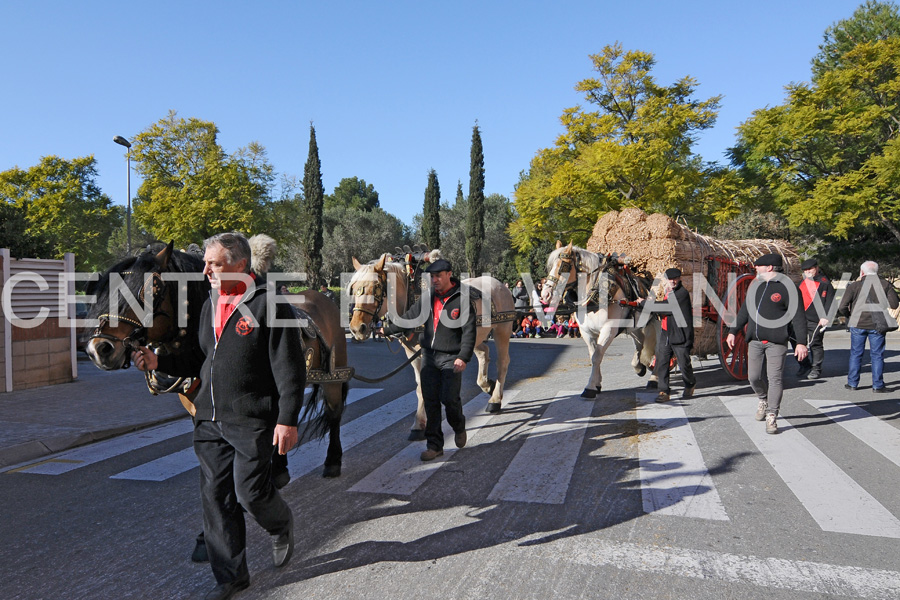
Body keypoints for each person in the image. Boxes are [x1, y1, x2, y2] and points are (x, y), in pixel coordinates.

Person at [132, 232, 303, 600]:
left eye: (214, 264)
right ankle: (231, 576)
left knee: (251, 492)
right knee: (215, 498)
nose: (206, 270)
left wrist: (287, 419)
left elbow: (290, 369)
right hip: (208, 419)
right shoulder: (211, 303)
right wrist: (159, 361)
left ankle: (280, 522)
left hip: (252, 419)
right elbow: (200, 359)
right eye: (206, 263)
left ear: (240, 265)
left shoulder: (269, 304)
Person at [381, 258, 476, 461]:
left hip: (452, 357)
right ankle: (434, 445)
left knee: (450, 399)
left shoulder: (462, 298)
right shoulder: (428, 298)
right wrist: (387, 329)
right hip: (430, 357)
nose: (435, 280)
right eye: (432, 276)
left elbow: (469, 332)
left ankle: (459, 426)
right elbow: (408, 318)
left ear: (449, 274)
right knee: (431, 402)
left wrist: (463, 357)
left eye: (438, 276)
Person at [726, 254, 808, 435]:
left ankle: (772, 415)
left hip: (776, 342)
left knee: (775, 378)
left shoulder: (789, 289)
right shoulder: (756, 286)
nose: (756, 269)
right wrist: (733, 331)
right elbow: (744, 311)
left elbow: (799, 318)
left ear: (769, 268)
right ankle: (762, 399)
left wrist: (801, 343)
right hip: (755, 341)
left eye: (759, 266)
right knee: (753, 377)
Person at [837, 260, 900, 393]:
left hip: (857, 324)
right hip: (878, 326)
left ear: (862, 272)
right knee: (877, 355)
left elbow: (842, 306)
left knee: (856, 354)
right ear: (877, 272)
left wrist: (850, 315)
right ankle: (877, 385)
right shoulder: (885, 285)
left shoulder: (854, 286)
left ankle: (852, 383)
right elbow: (894, 304)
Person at [646, 268, 696, 402]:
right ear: (666, 280)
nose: (672, 281)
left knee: (684, 363)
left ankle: (690, 383)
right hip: (666, 332)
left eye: (675, 279)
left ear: (679, 279)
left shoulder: (682, 293)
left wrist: (645, 304)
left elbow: (666, 308)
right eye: (670, 279)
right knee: (662, 361)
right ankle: (664, 391)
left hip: (680, 334)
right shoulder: (668, 292)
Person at [796, 258, 835, 379]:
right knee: (797, 342)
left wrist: (826, 317)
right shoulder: (802, 282)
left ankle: (816, 368)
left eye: (810, 269)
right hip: (801, 318)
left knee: (815, 343)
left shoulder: (825, 283)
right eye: (805, 270)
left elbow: (831, 301)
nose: (808, 271)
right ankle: (804, 364)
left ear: (816, 268)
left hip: (816, 319)